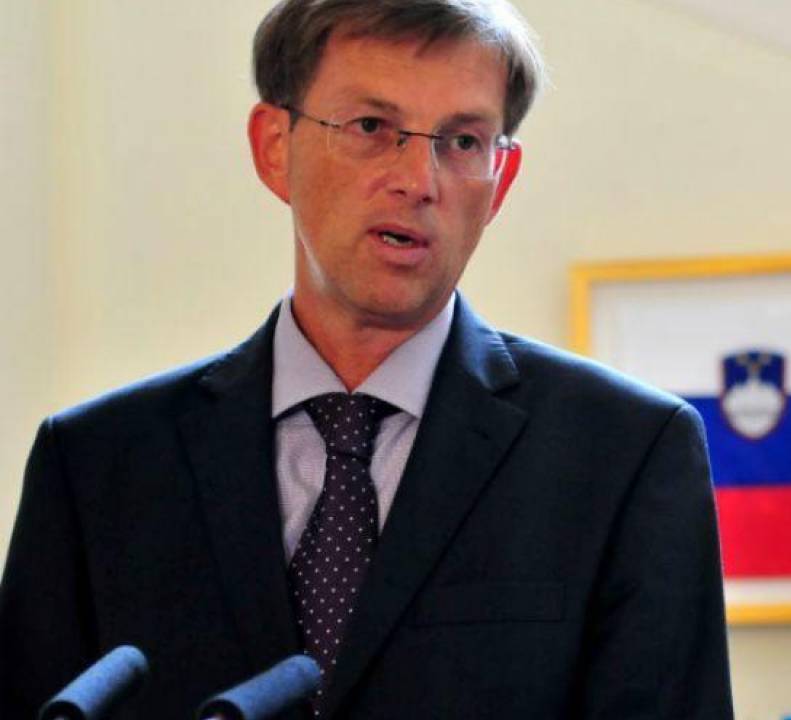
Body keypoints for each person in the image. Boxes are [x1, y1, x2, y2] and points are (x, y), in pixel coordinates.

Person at [0, 1, 734, 718]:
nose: (419, 180)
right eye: (373, 128)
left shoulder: (626, 454)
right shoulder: (97, 464)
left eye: (463, 141)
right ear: (274, 147)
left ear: (500, 183)